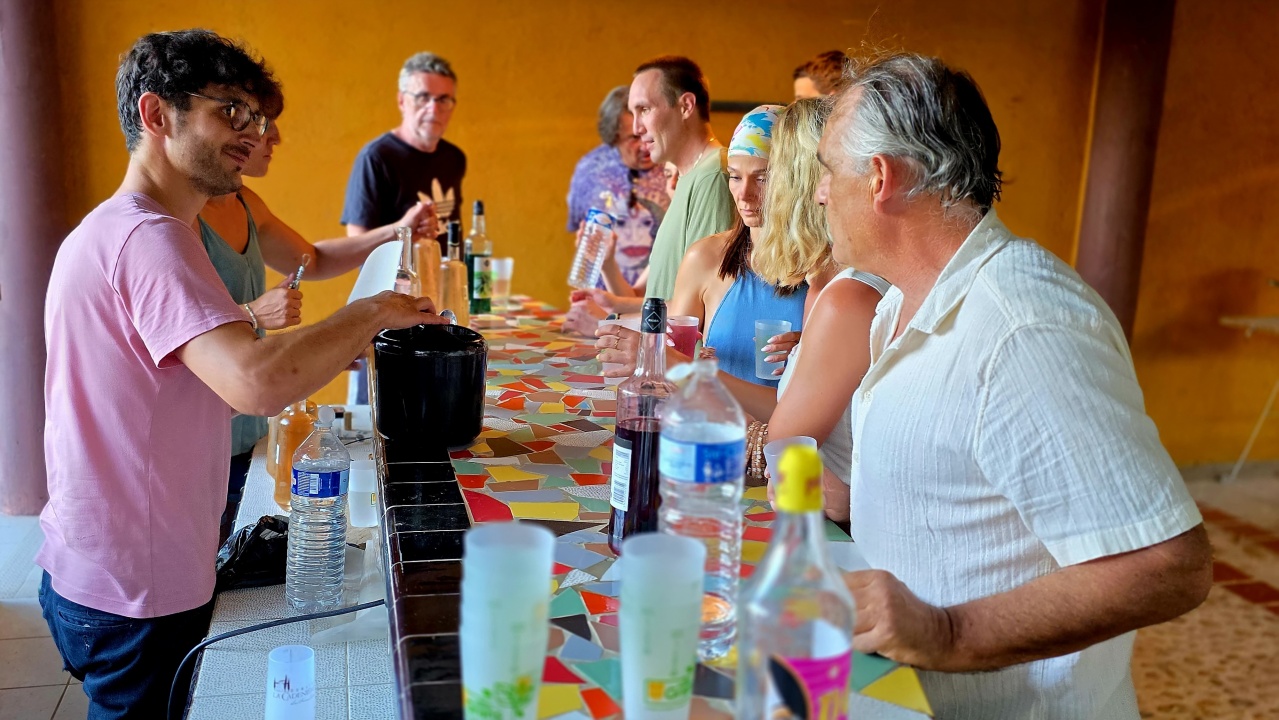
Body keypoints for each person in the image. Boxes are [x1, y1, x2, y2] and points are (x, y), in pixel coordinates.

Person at [37, 30, 443, 719]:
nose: (253, 133)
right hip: (134, 584)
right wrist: (374, 311)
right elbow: (252, 381)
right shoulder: (149, 238)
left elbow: (172, 383)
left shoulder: (129, 227)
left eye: (255, 116)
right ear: (157, 114)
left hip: (99, 563)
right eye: (230, 111)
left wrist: (329, 345)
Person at [819, 53, 1211, 718]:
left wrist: (948, 632)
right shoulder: (900, 304)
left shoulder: (1022, 326)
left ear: (880, 177)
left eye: (828, 171)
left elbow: (1169, 565)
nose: (820, 194)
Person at [199, 93, 436, 544]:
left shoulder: (246, 201)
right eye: (261, 122)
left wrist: (398, 229)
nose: (275, 137)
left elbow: (315, 258)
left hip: (249, 428)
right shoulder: (179, 220)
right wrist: (252, 312)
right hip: (205, 430)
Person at [596, 106, 805, 389]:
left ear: (794, 180)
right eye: (735, 176)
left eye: (762, 178)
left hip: (794, 418)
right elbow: (671, 371)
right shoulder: (704, 258)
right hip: (711, 414)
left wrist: (810, 350)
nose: (744, 194)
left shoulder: (821, 267)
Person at [749, 98, 887, 516]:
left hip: (836, 536)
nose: (757, 193)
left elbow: (785, 458)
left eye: (768, 175)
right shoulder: (824, 289)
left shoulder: (849, 297)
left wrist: (692, 387)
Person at [342, 51, 465, 235]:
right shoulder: (376, 158)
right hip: (397, 256)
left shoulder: (454, 157)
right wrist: (403, 231)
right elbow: (357, 240)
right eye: (423, 97)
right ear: (401, 101)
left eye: (443, 100)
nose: (433, 109)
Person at [566, 85, 669, 289]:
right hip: (600, 296)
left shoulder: (673, 168)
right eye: (634, 137)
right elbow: (578, 228)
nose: (645, 145)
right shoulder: (590, 171)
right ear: (614, 137)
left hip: (658, 297)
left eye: (650, 134)